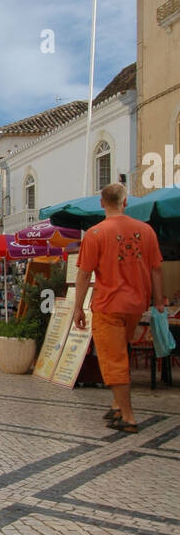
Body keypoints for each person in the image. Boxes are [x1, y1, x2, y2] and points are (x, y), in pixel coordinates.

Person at [73, 181, 164, 432]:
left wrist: (78, 307)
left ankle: (128, 416)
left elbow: (83, 274)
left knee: (113, 360)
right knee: (120, 353)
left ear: (102, 203)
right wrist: (158, 301)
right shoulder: (146, 231)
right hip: (136, 304)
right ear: (125, 202)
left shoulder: (95, 234)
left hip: (108, 304)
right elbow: (157, 269)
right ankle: (116, 405)